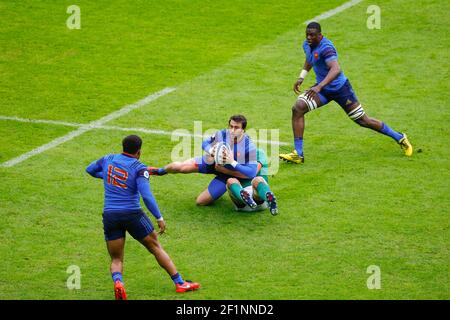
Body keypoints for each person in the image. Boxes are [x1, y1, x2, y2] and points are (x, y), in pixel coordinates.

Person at [279, 22, 413, 164]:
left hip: (341, 90)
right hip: (323, 90)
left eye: (312, 35)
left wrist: (319, 86)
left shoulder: (327, 48)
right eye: (307, 34)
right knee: (298, 108)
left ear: (320, 35)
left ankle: (400, 138)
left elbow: (335, 69)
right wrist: (301, 76)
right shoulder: (307, 45)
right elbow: (310, 58)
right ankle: (298, 154)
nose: (308, 37)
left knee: (363, 120)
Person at [86, 135, 200, 300]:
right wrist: (159, 217)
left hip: (110, 215)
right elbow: (146, 196)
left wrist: (110, 178)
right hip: (132, 215)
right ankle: (180, 283)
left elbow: (89, 169)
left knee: (117, 258)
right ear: (139, 152)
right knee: (155, 247)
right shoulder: (138, 167)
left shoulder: (107, 159)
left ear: (122, 147)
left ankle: (118, 283)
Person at [149, 115, 258, 206]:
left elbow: (252, 172)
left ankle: (228, 189)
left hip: (227, 175)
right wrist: (212, 151)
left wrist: (232, 162)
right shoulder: (222, 133)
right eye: (231, 126)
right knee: (179, 167)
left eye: (236, 127)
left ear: (243, 130)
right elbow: (204, 143)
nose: (233, 130)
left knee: (200, 202)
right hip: (211, 162)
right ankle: (159, 171)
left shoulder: (249, 146)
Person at [225, 148, 278, 215]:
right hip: (259, 202)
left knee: (231, 181)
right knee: (257, 180)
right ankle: (267, 196)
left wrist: (226, 168)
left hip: (243, 205)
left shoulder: (258, 153)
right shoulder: (258, 153)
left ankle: (245, 197)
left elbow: (251, 174)